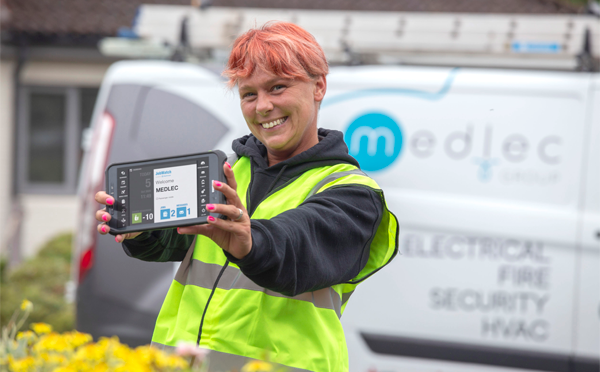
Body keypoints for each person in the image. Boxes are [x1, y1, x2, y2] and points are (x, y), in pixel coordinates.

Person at [95, 21, 398, 372]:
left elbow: (297, 247)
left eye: (278, 87)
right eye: (249, 94)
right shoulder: (226, 171)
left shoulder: (353, 194)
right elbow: (172, 242)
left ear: (319, 87)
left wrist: (249, 241)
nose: (263, 106)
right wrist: (141, 231)